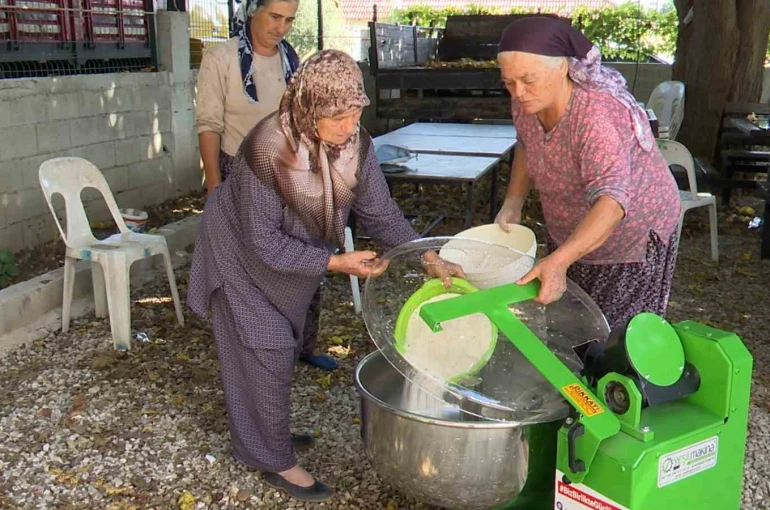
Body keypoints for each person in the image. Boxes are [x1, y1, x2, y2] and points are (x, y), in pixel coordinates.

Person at [187, 50, 463, 502]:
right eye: (336, 116)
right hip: (237, 248)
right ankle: (276, 460)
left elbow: (380, 212)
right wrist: (336, 263)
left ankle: (261, 439)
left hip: (277, 249)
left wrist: (428, 256)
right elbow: (264, 243)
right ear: (307, 107)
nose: (347, 126)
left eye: (355, 113)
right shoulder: (266, 149)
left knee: (277, 346)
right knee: (265, 344)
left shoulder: (357, 145)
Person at [494, 16, 681, 330]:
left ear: (563, 68)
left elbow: (612, 202)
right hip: (573, 227)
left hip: (631, 234)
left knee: (616, 335)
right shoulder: (528, 101)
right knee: (572, 323)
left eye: (528, 80)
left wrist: (559, 260)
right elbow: (527, 144)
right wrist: (513, 202)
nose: (518, 92)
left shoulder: (595, 115)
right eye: (509, 82)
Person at [196, 0, 345, 371]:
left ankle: (303, 345)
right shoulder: (221, 59)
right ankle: (260, 352)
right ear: (252, 11)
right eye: (274, 17)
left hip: (291, 172)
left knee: (307, 255)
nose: (281, 28)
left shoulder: (293, 61)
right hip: (240, 174)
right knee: (255, 268)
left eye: (289, 20)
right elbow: (209, 126)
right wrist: (215, 187)